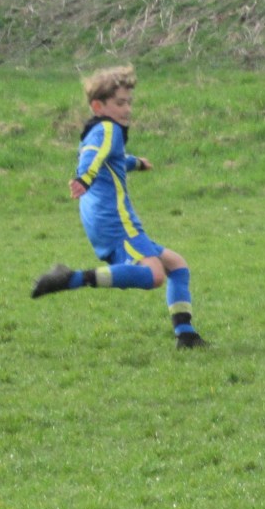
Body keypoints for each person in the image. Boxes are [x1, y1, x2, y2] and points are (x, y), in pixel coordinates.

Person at [31, 65, 207, 349]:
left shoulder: (98, 130)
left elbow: (111, 160)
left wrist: (136, 163)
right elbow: (93, 156)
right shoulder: (108, 128)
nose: (127, 109)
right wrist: (83, 178)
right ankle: (72, 279)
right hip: (116, 219)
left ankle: (186, 335)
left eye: (129, 103)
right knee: (154, 275)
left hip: (99, 219)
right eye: (120, 103)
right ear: (98, 106)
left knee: (176, 265)